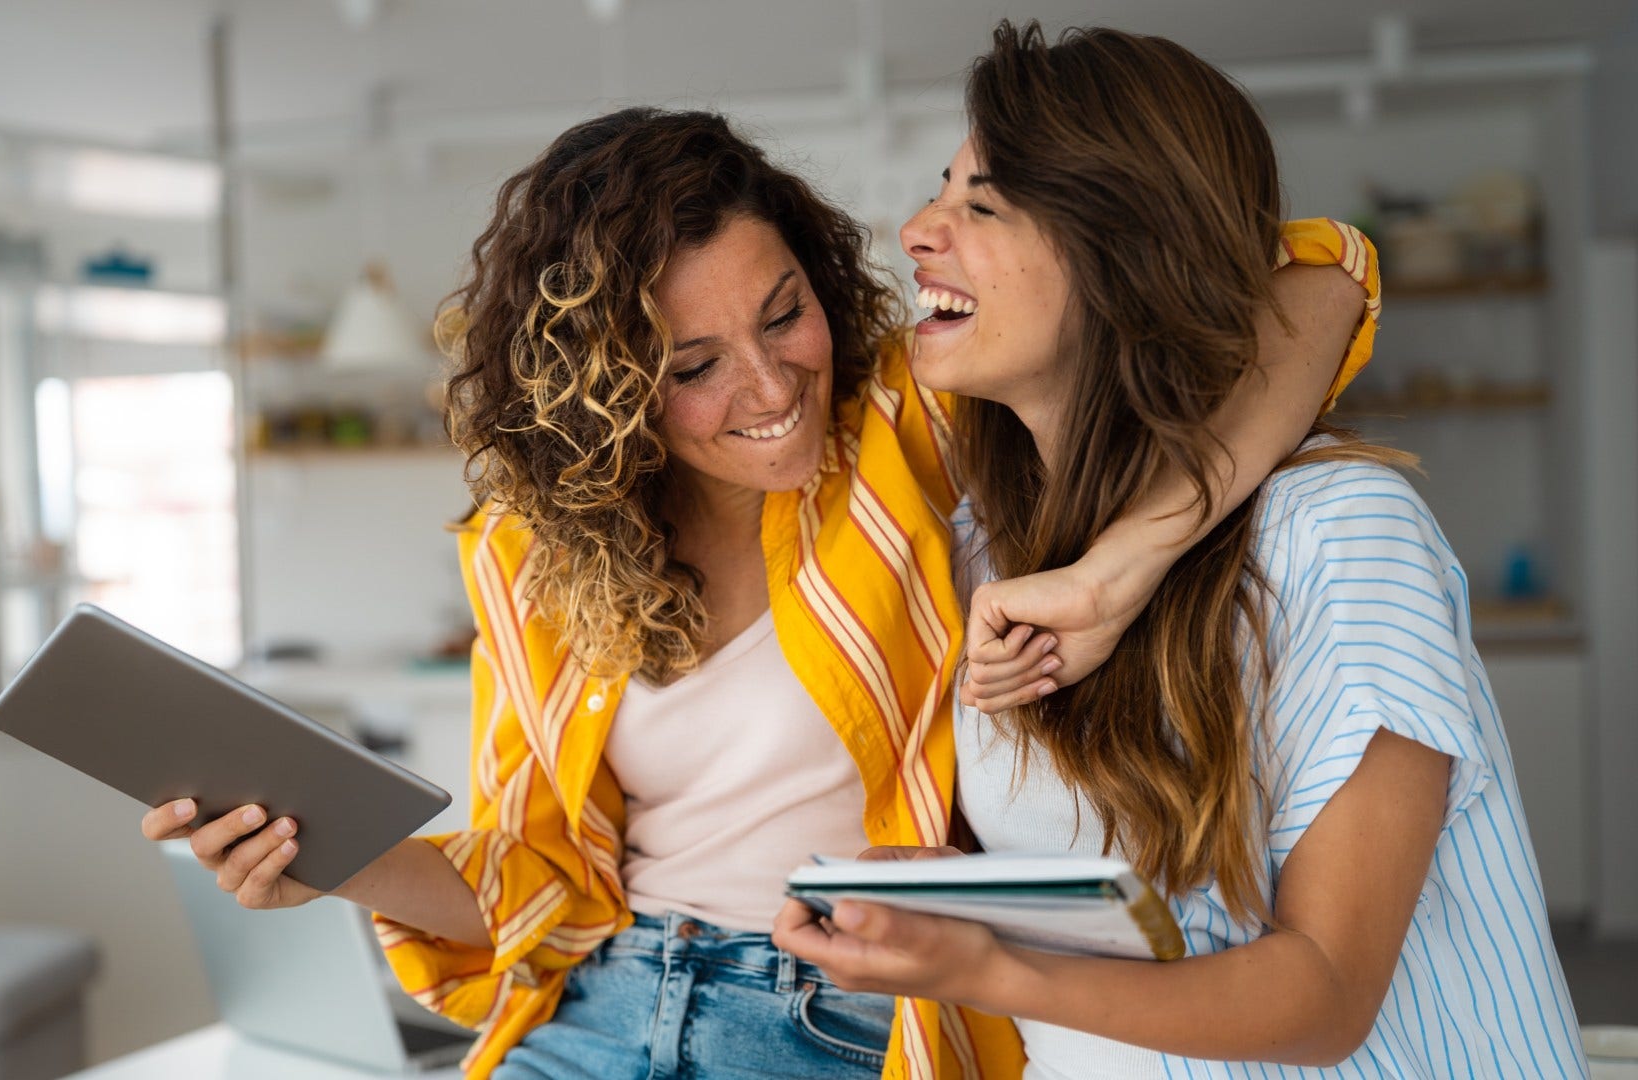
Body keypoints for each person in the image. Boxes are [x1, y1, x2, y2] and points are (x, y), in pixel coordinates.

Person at [141, 106, 1376, 1079]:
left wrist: (1132, 558)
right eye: (691, 367)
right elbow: (533, 882)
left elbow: (1326, 276)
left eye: (784, 314)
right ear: (604, 395)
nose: (772, 384)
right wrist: (331, 863)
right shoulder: (529, 553)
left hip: (832, 1018)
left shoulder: (903, 425)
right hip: (591, 1009)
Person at [774, 22, 1588, 1079]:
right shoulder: (981, 550)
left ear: (1129, 257)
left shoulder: (1337, 535)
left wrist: (977, 962)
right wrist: (957, 890)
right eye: (943, 189)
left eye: (982, 204)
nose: (919, 229)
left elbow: (1326, 996)